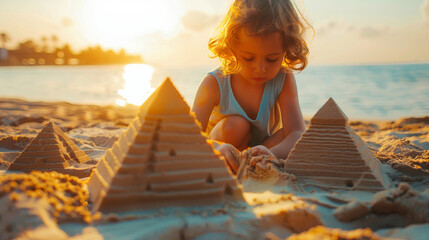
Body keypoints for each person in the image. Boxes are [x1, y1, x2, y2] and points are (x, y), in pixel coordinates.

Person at [191, 0, 312, 173]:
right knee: (236, 125)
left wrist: (270, 153)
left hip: (261, 148)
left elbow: (297, 133)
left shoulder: (283, 78)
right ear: (232, 46)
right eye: (249, 58)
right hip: (224, 149)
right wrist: (216, 148)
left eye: (272, 59)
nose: (260, 68)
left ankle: (253, 161)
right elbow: (189, 136)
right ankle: (231, 160)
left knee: (289, 132)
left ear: (286, 49)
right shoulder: (214, 83)